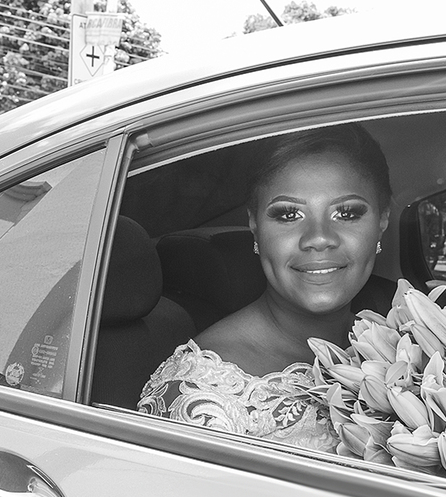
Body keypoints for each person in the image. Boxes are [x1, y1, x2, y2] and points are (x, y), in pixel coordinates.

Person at [138, 124, 392, 452]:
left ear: (382, 220)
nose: (318, 238)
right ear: (255, 226)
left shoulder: (405, 350)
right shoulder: (201, 393)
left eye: (346, 213)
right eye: (288, 214)